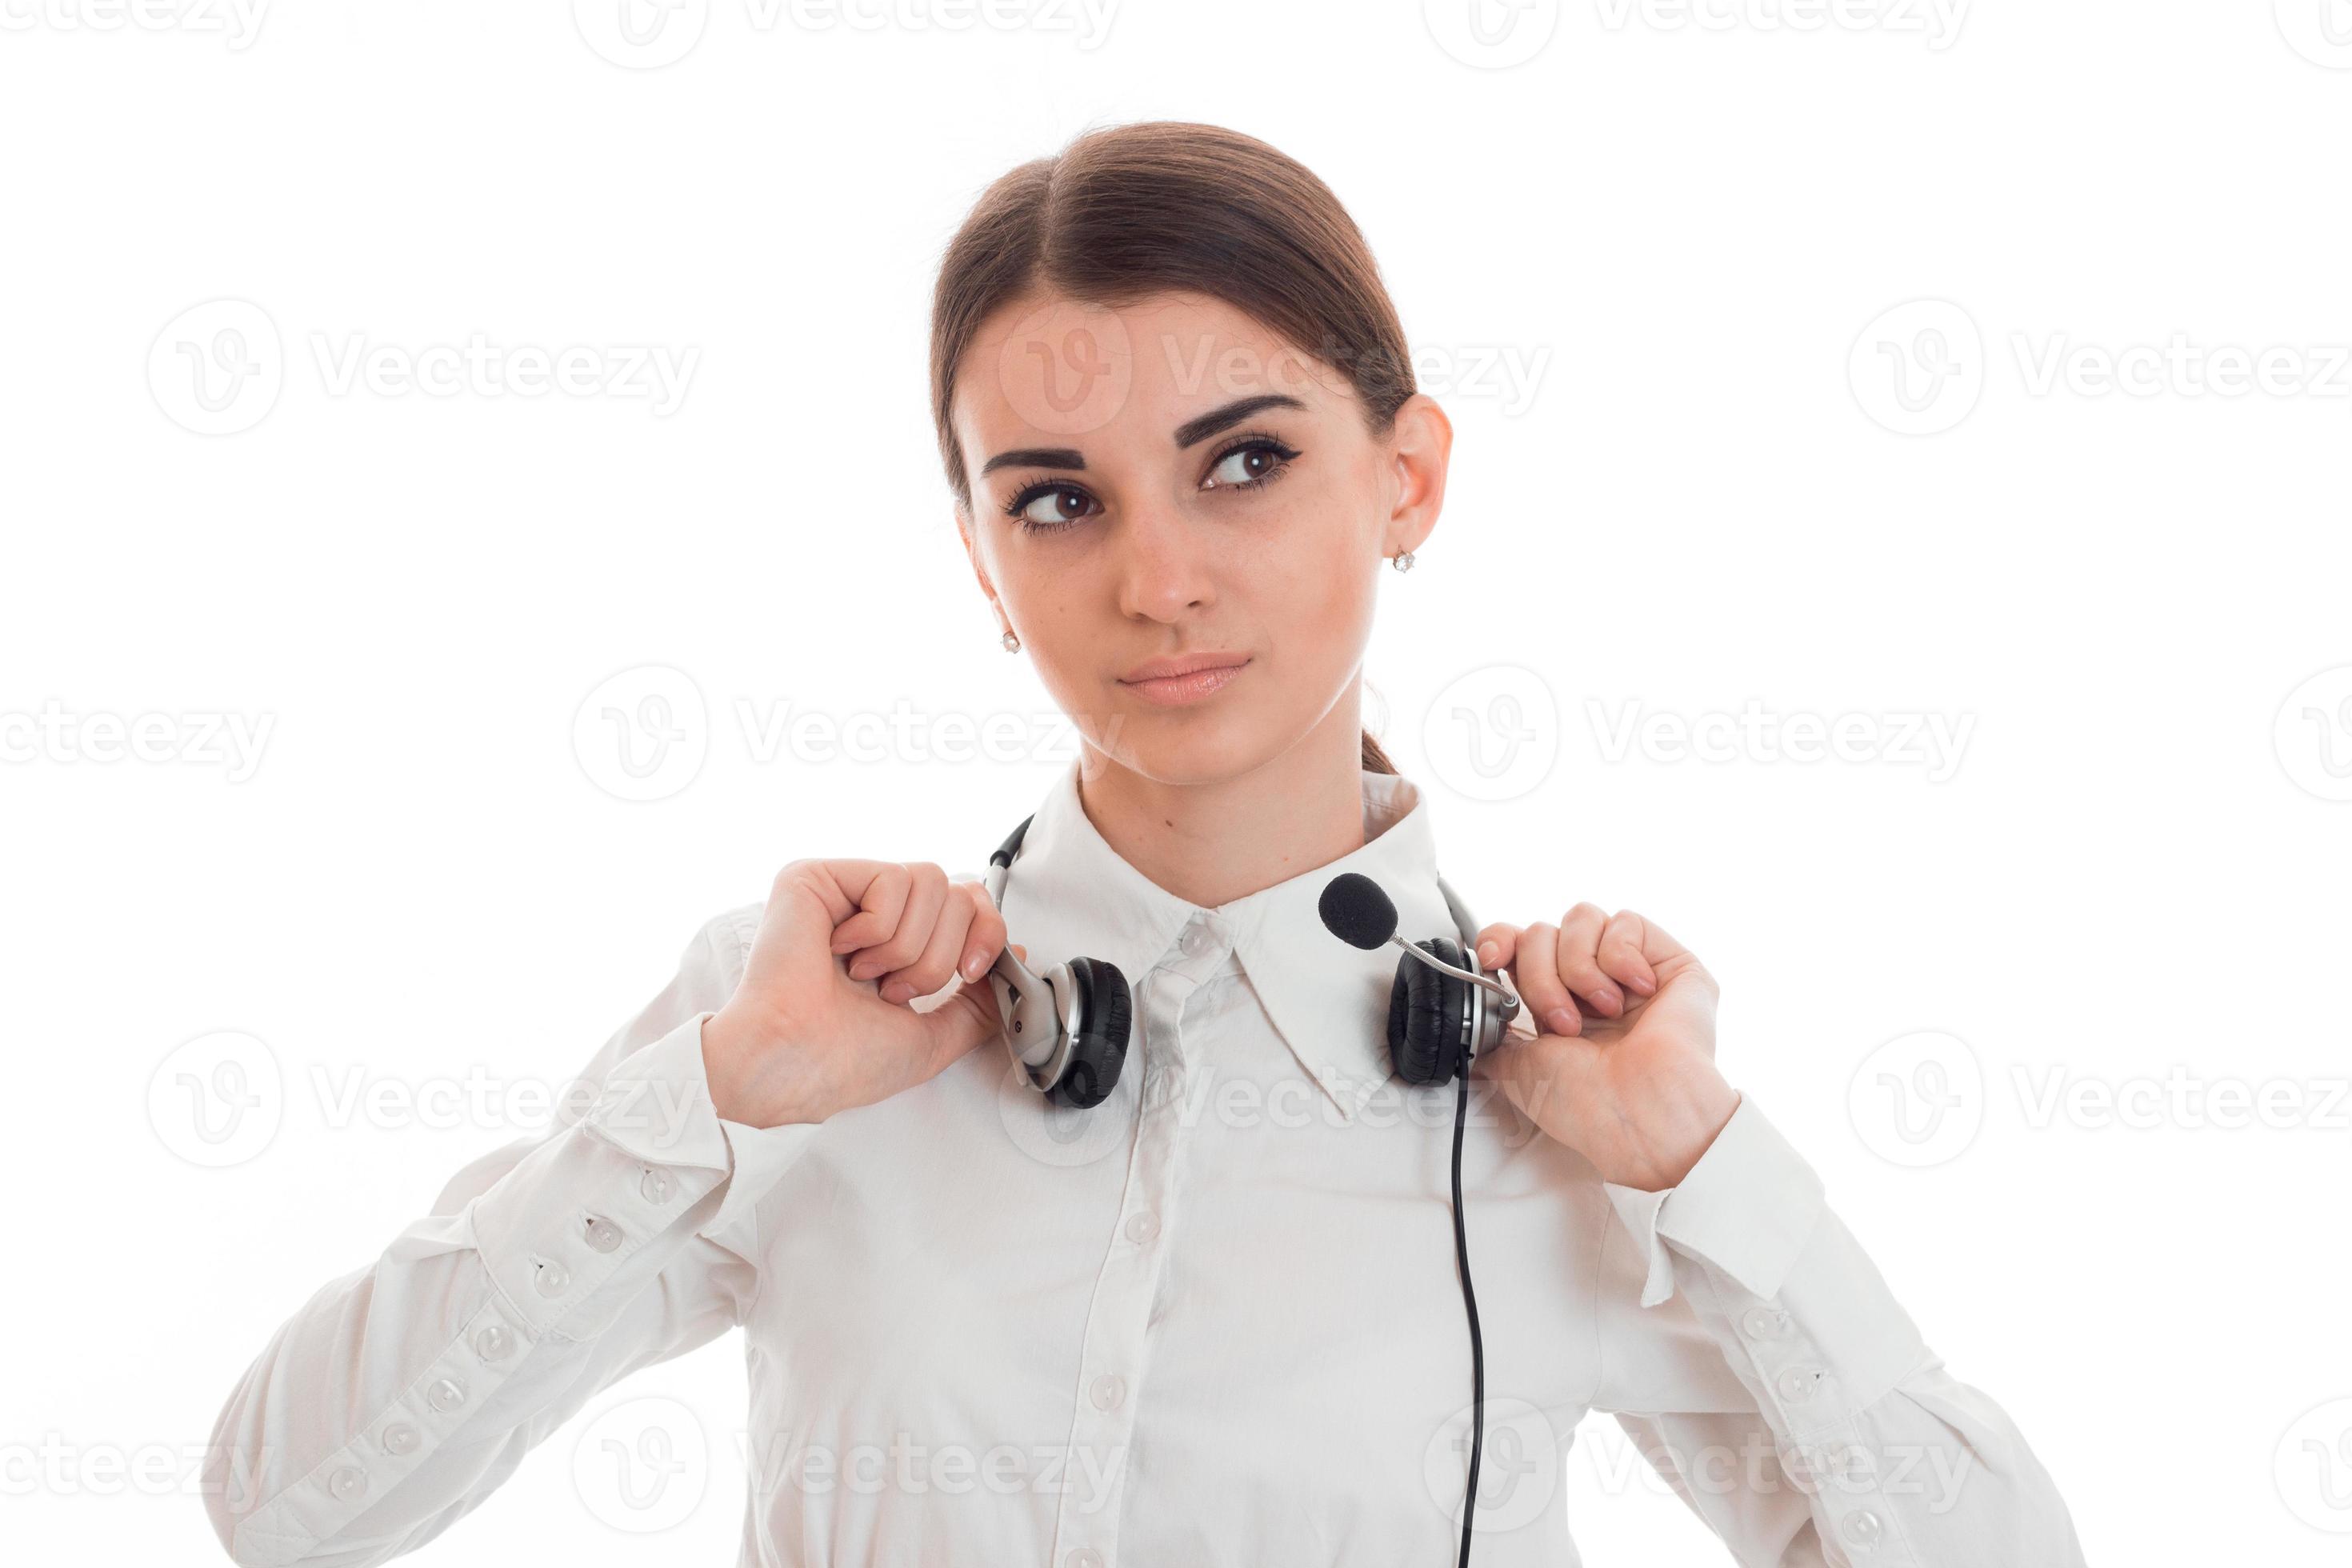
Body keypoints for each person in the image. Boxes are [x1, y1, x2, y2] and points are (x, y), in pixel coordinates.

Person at [202, 120, 2086, 1566]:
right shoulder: (798, 1027)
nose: (1158, 577)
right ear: (981, 559)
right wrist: (722, 1090)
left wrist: (1708, 1169)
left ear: (1407, 475)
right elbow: (288, 1501)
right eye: (1057, 498)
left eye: (1245, 459)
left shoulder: (1575, 1112)